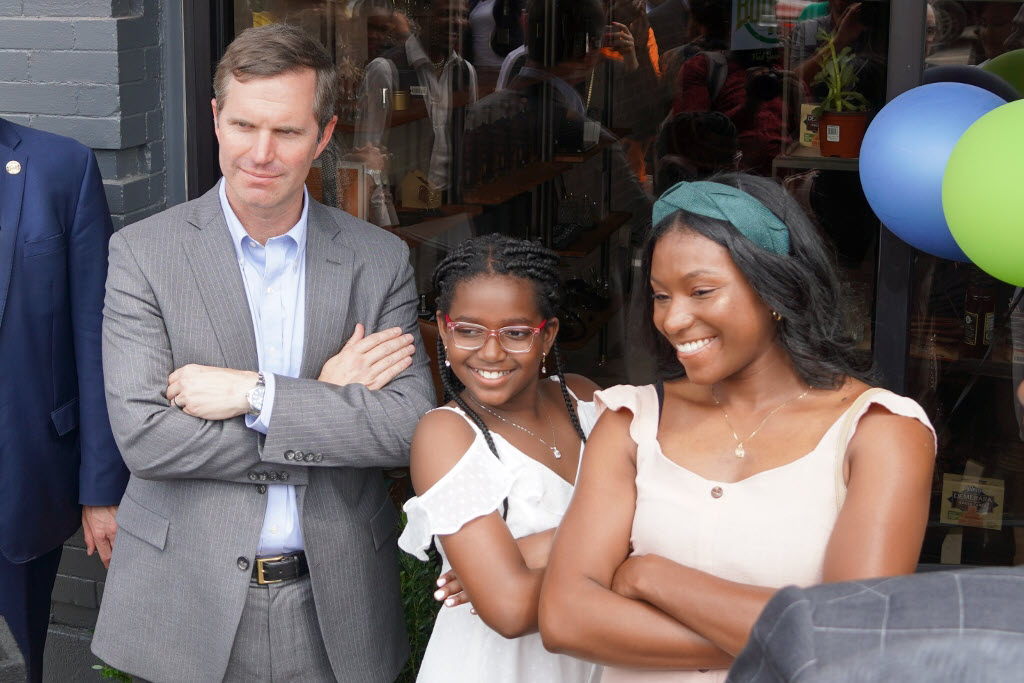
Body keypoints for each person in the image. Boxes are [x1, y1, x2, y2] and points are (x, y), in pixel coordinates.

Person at [91, 24, 435, 682]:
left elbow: (405, 427)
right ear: (216, 119)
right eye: (245, 126)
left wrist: (258, 394)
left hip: (335, 602)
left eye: (287, 132)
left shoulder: (377, 259)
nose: (261, 153)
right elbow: (147, 441)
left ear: (325, 134)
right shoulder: (143, 254)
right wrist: (326, 404)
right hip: (188, 596)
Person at [539, 173, 937, 681]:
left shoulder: (879, 431)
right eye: (661, 296)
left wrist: (649, 574)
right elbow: (565, 618)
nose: (674, 320)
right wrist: (786, 642)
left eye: (701, 291)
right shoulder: (630, 421)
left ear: (775, 287)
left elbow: (848, 643)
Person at [397, 234, 601, 682]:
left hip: (597, 657)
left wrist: (529, 551)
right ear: (444, 329)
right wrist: (631, 552)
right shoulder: (445, 435)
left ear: (547, 334)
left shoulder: (586, 401)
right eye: (469, 330)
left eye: (515, 333)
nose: (490, 352)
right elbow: (508, 610)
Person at [0, 117, 129, 682]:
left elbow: (94, 335)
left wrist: (101, 489)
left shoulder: (60, 167)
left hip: (18, 487)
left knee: (12, 661)